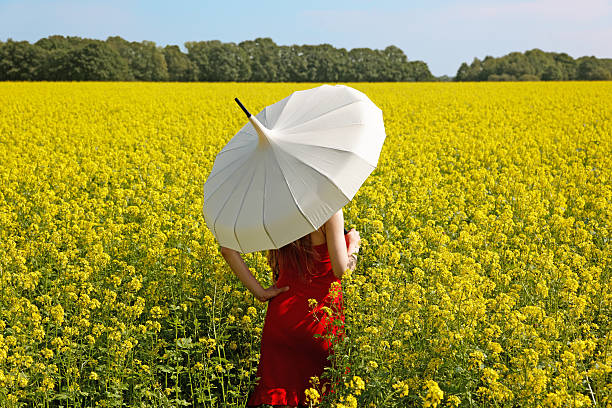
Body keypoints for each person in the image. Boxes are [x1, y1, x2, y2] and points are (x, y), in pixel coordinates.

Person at [220, 208, 361, 408]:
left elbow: (227, 249)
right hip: (320, 323)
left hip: (281, 320)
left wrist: (260, 292)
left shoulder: (275, 210)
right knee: (323, 398)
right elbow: (341, 270)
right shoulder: (328, 210)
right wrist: (353, 245)